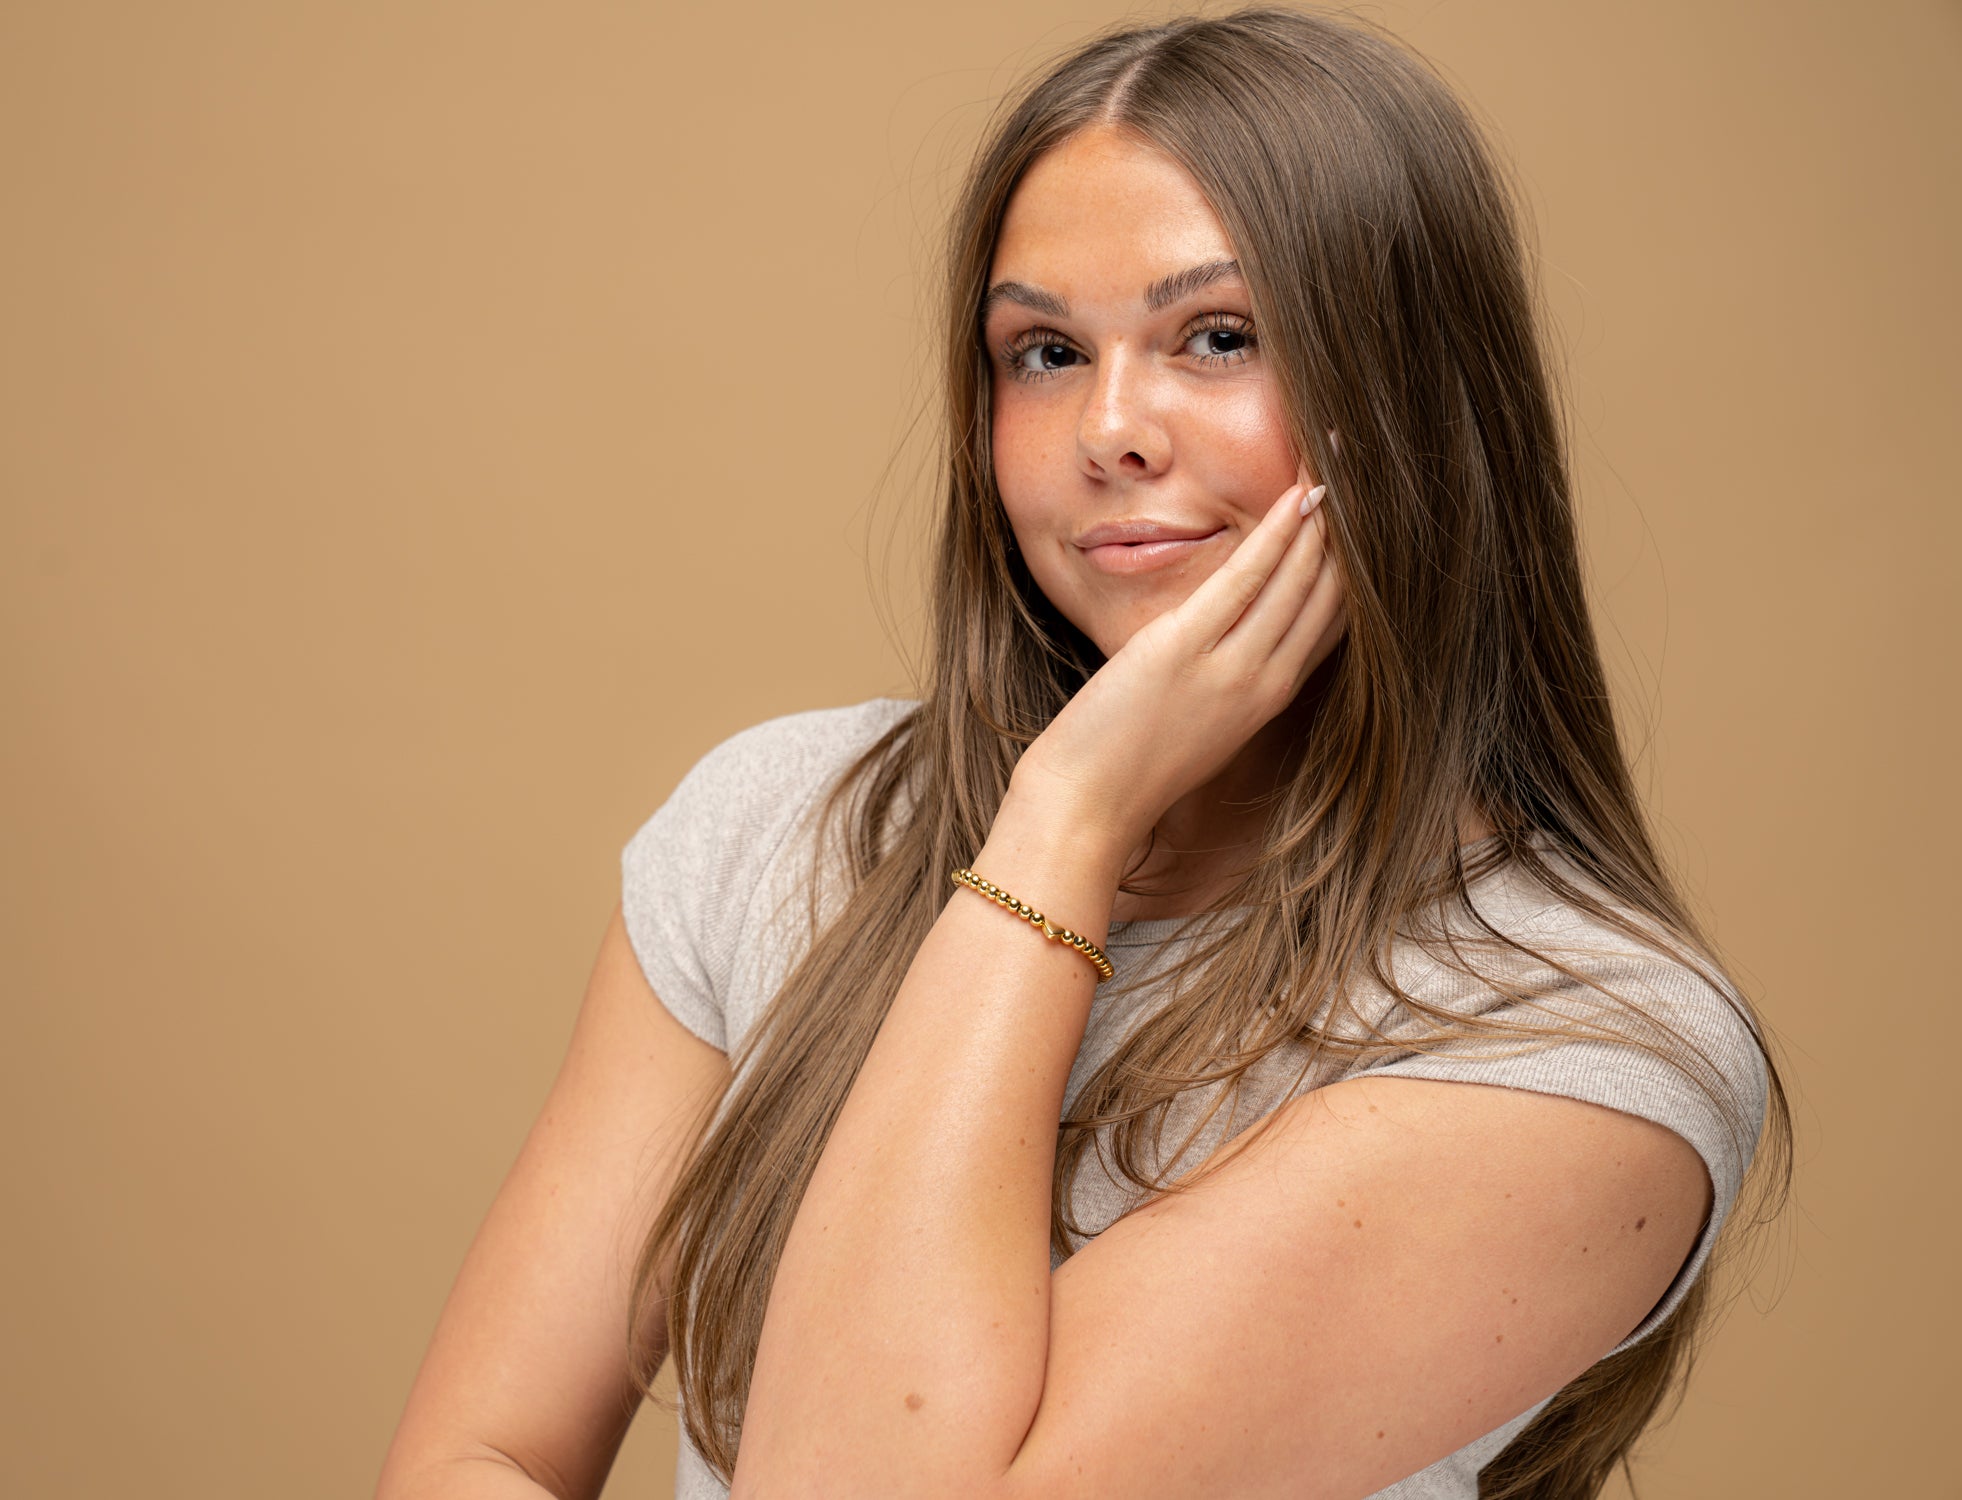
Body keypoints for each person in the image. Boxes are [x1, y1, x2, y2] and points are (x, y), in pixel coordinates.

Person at [376, 8, 1792, 1499]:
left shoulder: (1575, 1043)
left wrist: (1063, 818)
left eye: (1218, 337)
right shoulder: (782, 824)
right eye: (1044, 352)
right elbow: (479, 1455)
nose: (1111, 428)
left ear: (1414, 402)